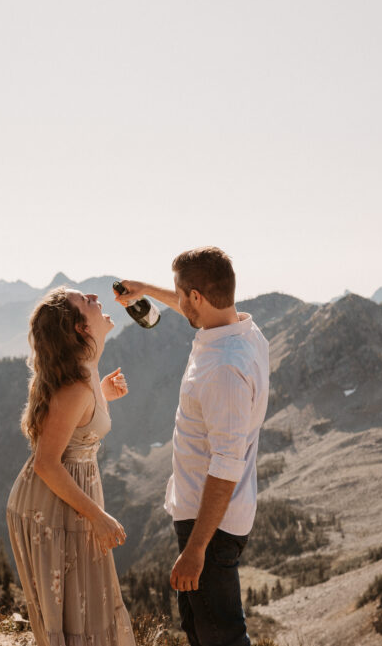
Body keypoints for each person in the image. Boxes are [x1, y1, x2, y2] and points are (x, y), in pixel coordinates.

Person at [115, 247, 269, 646]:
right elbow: (192, 305)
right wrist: (144, 290)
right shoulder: (243, 330)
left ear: (196, 297)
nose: (179, 301)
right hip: (203, 515)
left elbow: (226, 464)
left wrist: (197, 549)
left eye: (182, 294)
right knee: (200, 629)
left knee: (222, 637)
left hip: (211, 524)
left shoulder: (224, 368)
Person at [6, 286, 136, 646]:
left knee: (85, 608)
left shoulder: (87, 373)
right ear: (81, 328)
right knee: (80, 612)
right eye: (87, 301)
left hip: (65, 498)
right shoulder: (76, 387)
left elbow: (74, 423)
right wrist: (98, 516)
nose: (96, 297)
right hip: (52, 505)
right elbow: (47, 464)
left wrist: (102, 397)